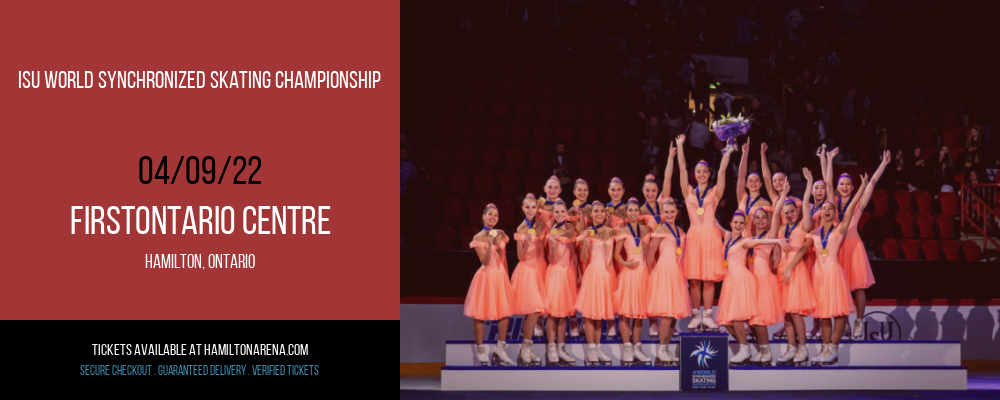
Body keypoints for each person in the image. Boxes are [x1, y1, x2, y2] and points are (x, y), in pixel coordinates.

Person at [787, 174, 868, 365]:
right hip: (819, 275)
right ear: (821, 213)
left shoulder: (840, 229)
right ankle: (825, 349)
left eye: (830, 208)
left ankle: (833, 348)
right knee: (823, 313)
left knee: (839, 312)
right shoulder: (813, 234)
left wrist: (862, 188)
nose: (827, 210)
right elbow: (802, 250)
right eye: (824, 208)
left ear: (834, 213)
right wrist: (790, 267)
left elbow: (849, 211)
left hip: (834, 273)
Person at [827, 151, 891, 339]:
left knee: (859, 288)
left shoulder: (857, 204)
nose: (845, 187)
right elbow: (827, 182)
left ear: (853, 187)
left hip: (853, 247)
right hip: (837, 249)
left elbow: (871, 184)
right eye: (842, 184)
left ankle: (859, 322)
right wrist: (829, 160)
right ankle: (844, 321)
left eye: (848, 184)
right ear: (838, 187)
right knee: (841, 287)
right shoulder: (833, 203)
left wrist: (884, 164)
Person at [675, 133, 735, 333]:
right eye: (698, 171)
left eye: (704, 171)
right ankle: (695, 316)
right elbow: (682, 168)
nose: (701, 174)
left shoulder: (715, 192)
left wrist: (726, 152)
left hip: (710, 236)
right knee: (694, 278)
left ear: (709, 174)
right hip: (694, 236)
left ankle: (708, 315)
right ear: (695, 174)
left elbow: (723, 171)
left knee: (709, 278)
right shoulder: (688, 192)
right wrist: (680, 146)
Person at [716, 210, 790, 365]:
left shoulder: (746, 240)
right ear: (731, 224)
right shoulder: (729, 237)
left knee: (749, 319)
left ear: (745, 225)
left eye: (741, 223)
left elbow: (758, 243)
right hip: (732, 280)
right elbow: (717, 225)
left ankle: (757, 350)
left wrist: (777, 241)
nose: (738, 225)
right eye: (735, 222)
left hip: (746, 279)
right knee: (726, 320)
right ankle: (747, 348)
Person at [464, 203, 517, 366]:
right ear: (483, 216)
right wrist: (490, 243)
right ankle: (480, 349)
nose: (493, 217)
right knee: (479, 314)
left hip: (499, 276)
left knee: (505, 313)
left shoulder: (501, 234)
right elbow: (485, 261)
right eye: (490, 214)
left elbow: (502, 259)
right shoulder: (478, 237)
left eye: (496, 215)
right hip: (486, 276)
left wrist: (506, 279)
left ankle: (500, 348)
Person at [775, 168, 817, 366]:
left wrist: (808, 183)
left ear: (797, 211)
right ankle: (791, 348)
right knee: (786, 314)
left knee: (795, 312)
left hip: (796, 270)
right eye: (786, 213)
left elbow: (800, 252)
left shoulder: (803, 225)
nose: (789, 215)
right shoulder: (783, 228)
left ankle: (803, 348)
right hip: (783, 270)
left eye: (792, 211)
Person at [638, 144, 676, 338]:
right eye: (648, 191)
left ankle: (668, 322)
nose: (651, 193)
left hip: (666, 251)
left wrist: (670, 157)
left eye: (654, 190)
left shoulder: (663, 203)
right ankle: (653, 322)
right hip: (650, 250)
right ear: (643, 191)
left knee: (668, 286)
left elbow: (668, 177)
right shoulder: (640, 211)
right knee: (652, 286)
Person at [646, 197, 690, 366]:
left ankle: (666, 350)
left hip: (676, 273)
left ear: (676, 213)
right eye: (666, 212)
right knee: (666, 314)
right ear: (662, 214)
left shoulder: (679, 231)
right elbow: (650, 256)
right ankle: (661, 350)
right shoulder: (660, 229)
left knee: (673, 316)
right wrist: (653, 277)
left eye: (672, 212)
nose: (670, 214)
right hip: (664, 273)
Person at [575, 202, 617, 366]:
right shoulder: (587, 232)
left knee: (601, 315)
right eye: (596, 211)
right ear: (591, 214)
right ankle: (591, 349)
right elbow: (584, 258)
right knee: (590, 314)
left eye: (601, 211)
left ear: (606, 213)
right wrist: (585, 242)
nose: (599, 214)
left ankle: (598, 347)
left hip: (607, 276)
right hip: (593, 274)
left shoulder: (612, 232)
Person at [747, 197, 787, 365]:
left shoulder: (771, 235)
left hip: (763, 281)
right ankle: (762, 349)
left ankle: (766, 351)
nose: (761, 220)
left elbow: (777, 214)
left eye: (764, 217)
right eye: (758, 218)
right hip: (751, 281)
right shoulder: (749, 238)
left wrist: (783, 195)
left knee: (759, 320)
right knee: (753, 321)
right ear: (753, 221)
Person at [614, 198, 653, 366]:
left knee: (639, 313)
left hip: (643, 273)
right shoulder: (622, 231)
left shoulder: (646, 230)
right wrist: (625, 263)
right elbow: (617, 254)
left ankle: (637, 347)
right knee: (626, 312)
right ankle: (627, 348)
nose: (633, 213)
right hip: (629, 273)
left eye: (636, 210)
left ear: (640, 212)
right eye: (630, 210)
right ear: (626, 212)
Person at [511, 194, 547, 366]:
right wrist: (525, 243)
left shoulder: (541, 225)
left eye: (533, 207)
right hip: (528, 271)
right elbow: (520, 256)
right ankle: (525, 348)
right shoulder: (521, 228)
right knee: (533, 310)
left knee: (535, 312)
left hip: (541, 270)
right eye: (527, 207)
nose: (531, 210)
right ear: (522, 209)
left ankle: (526, 348)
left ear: (537, 209)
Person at [543, 200, 578, 366]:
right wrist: (552, 243)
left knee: (565, 312)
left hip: (569, 273)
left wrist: (577, 272)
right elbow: (552, 259)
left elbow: (573, 253)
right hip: (556, 273)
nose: (559, 214)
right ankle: (551, 347)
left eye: (562, 211)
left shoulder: (571, 228)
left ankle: (561, 347)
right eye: (556, 212)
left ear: (566, 212)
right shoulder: (552, 232)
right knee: (553, 312)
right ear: (553, 214)